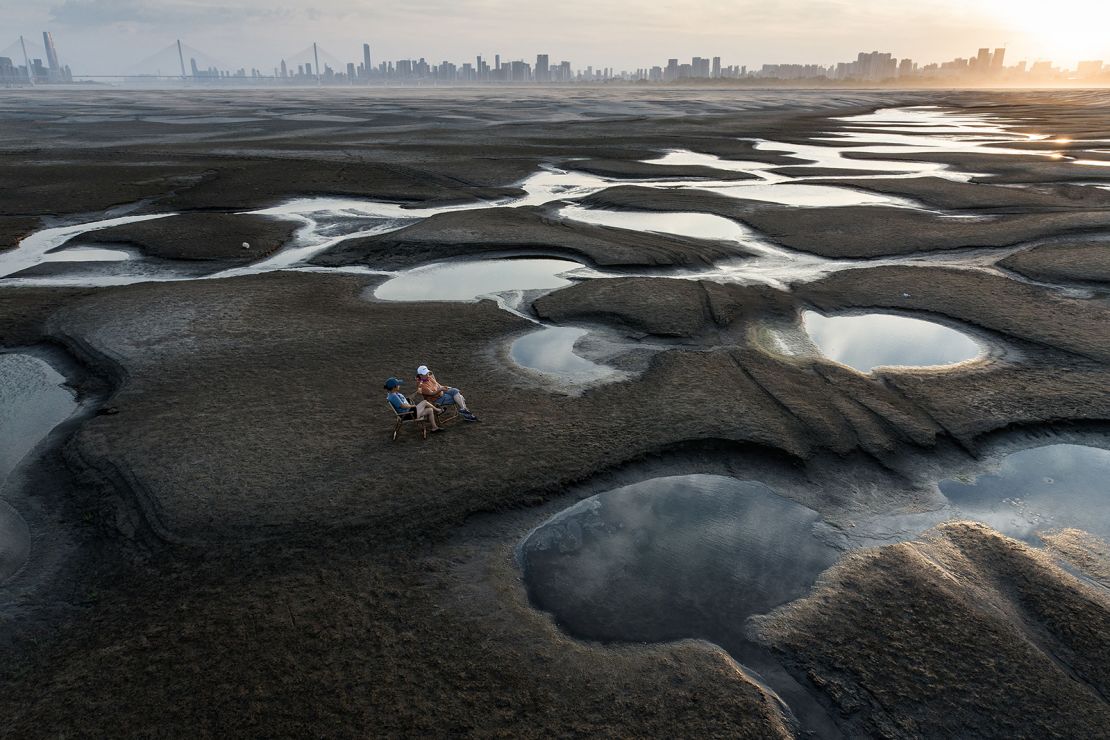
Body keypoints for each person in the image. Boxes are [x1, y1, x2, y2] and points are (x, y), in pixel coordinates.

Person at [415, 365, 479, 421]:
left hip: (442, 393)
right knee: (460, 397)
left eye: (427, 373)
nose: (427, 374)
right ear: (420, 375)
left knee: (454, 390)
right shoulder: (421, 385)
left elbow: (437, 384)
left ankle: (464, 409)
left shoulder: (429, 377)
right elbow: (432, 393)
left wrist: (443, 387)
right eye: (425, 373)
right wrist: (440, 389)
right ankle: (467, 413)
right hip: (437, 399)